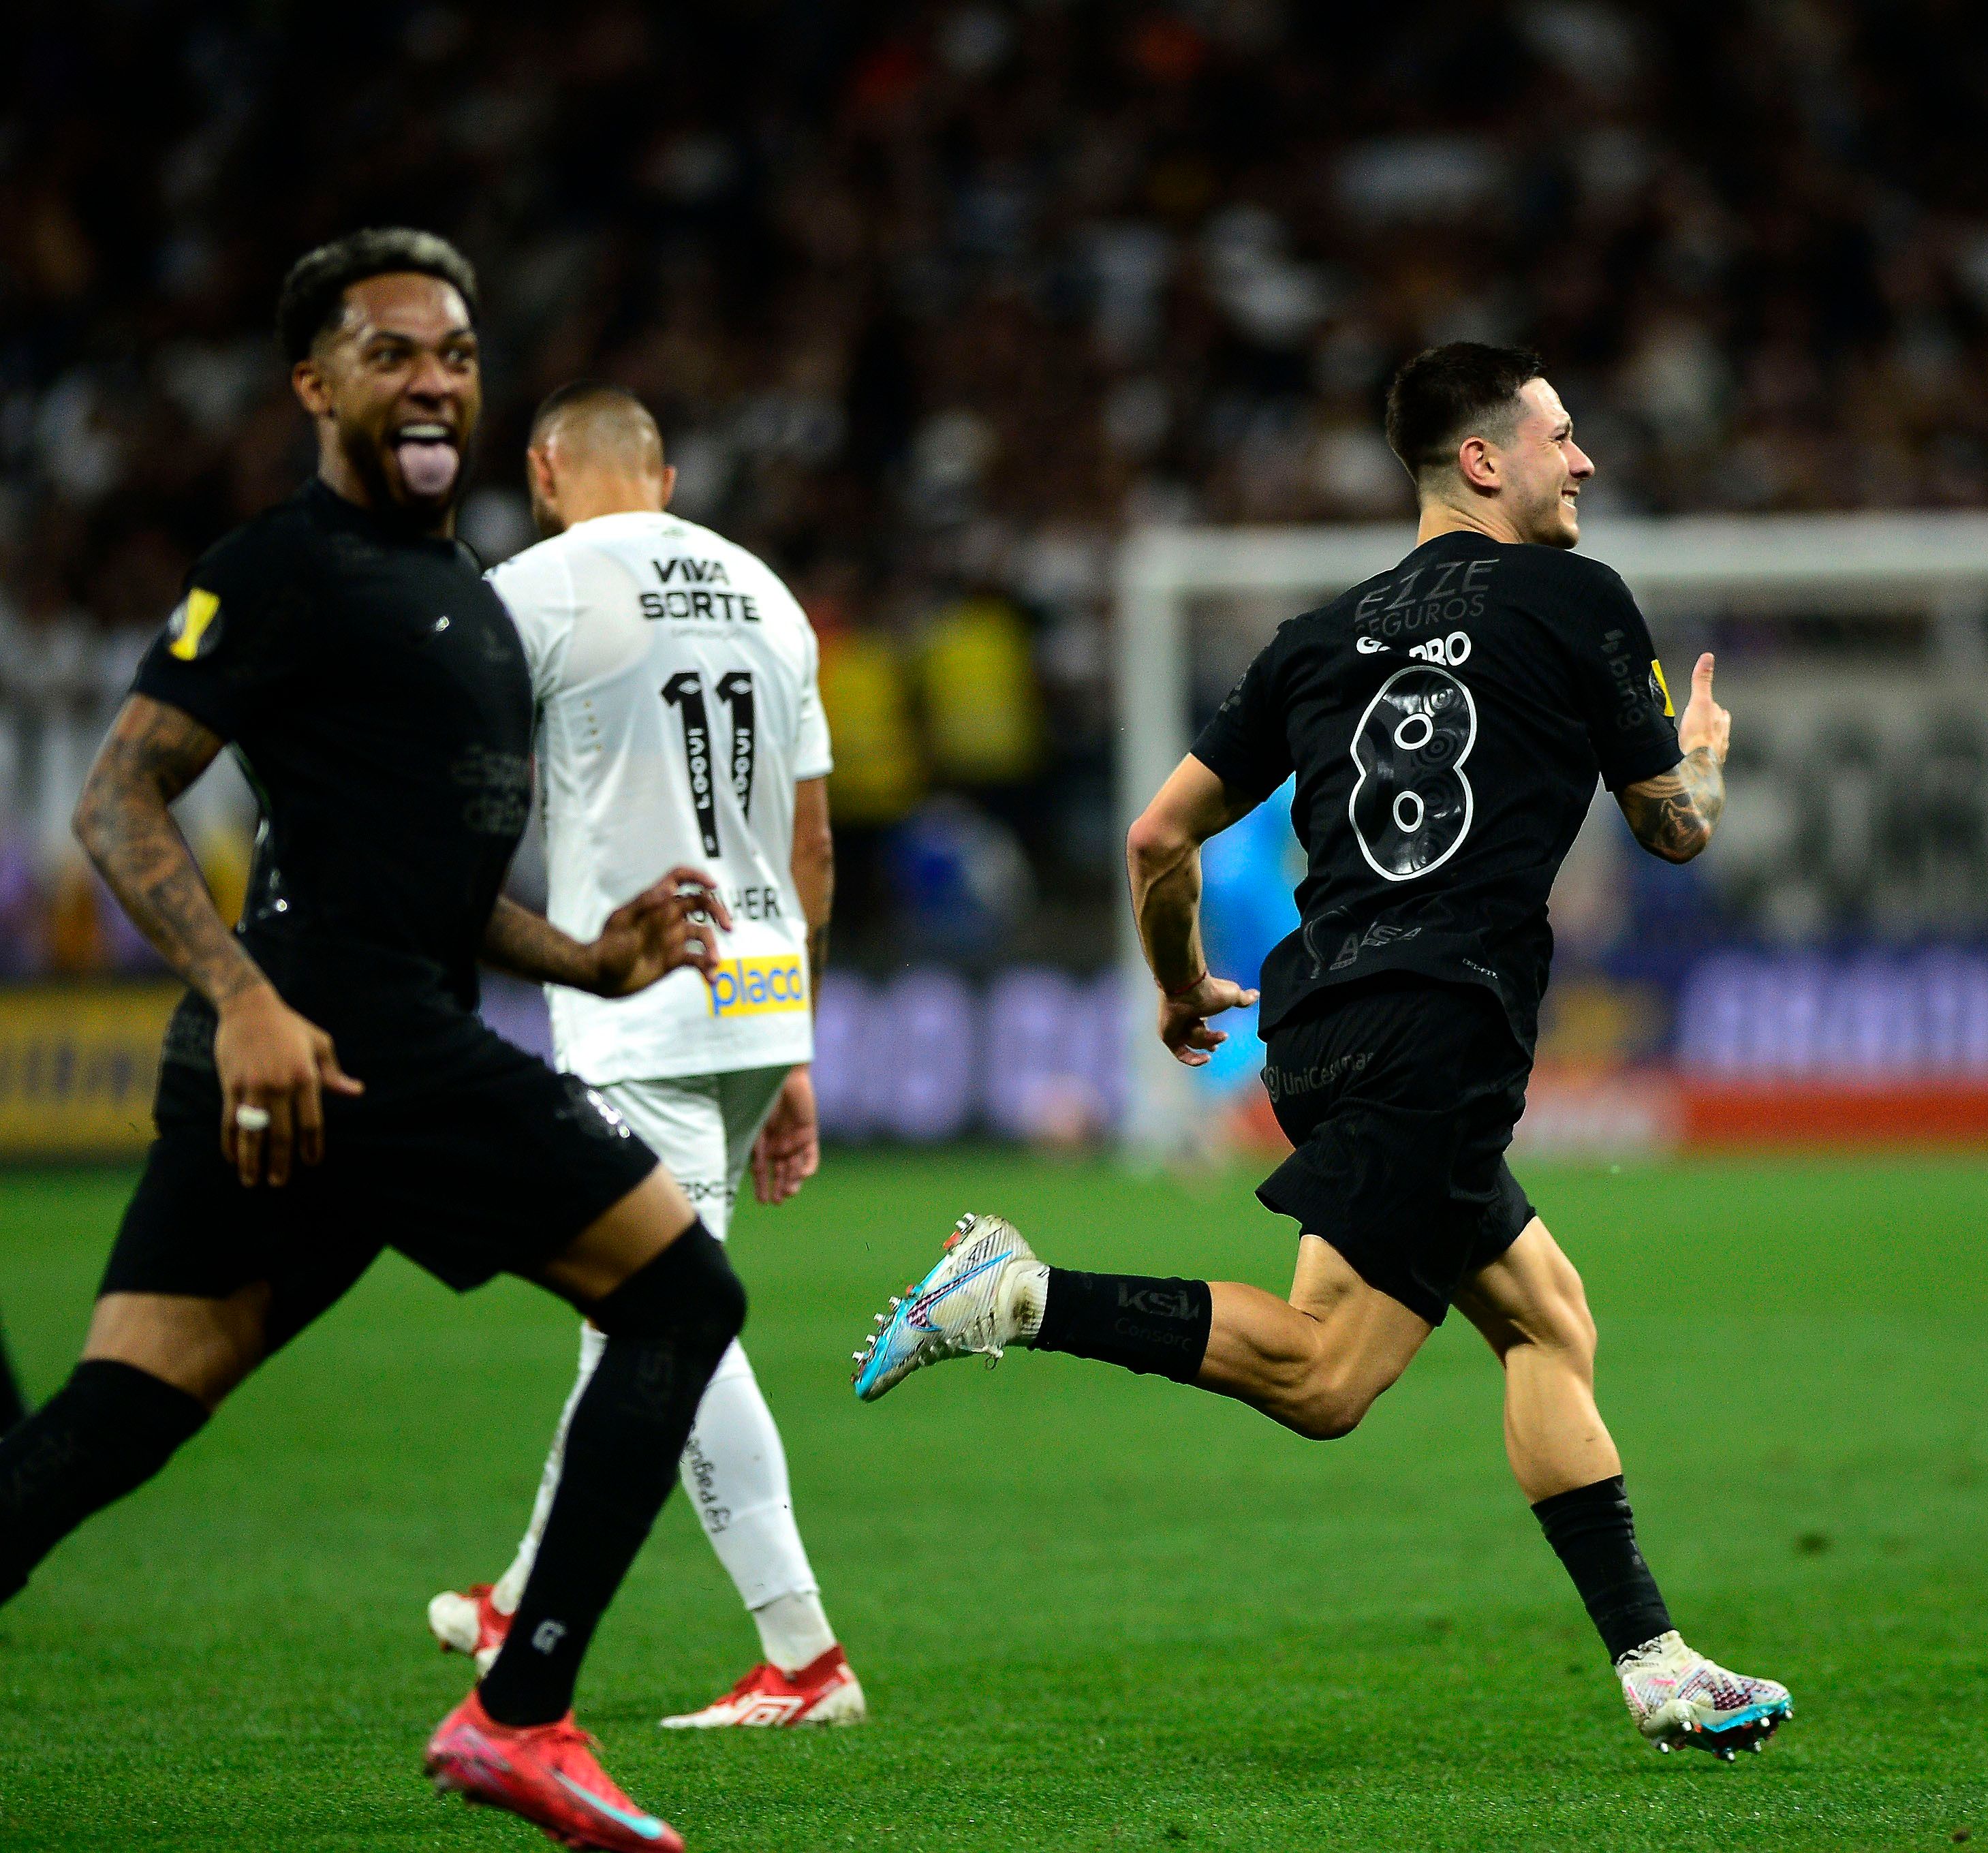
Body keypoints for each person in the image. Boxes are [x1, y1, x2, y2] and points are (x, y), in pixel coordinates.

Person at [850, 341, 1793, 1758]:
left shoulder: (1314, 637)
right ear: (1485, 461)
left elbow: (1152, 835)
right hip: (1443, 1027)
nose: (1583, 460)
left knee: (1545, 1316)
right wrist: (1702, 756)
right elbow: (1672, 829)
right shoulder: (1575, 597)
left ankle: (1655, 1660)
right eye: (1559, 436)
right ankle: (1017, 1292)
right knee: (1324, 1380)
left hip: (1314, 1022)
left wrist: (1175, 990)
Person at [0, 229, 743, 1853]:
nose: (432, 379)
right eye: (392, 350)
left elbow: (421, 878)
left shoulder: (459, 595)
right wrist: (242, 997)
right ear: (314, 383)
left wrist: (589, 958)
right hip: (345, 1037)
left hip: (323, 1052)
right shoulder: (280, 569)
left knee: (120, 1412)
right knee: (684, 1289)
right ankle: (520, 1715)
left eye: (457, 354)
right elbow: (118, 796)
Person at [426, 382, 860, 1730]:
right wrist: (789, 1040)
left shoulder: (533, 588)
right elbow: (812, 851)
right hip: (753, 997)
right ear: (663, 477)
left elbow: (457, 805)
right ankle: (514, 1595)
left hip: (637, 1003)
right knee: (636, 1307)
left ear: (546, 470)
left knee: (662, 1308)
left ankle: (803, 1657)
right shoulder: (768, 594)